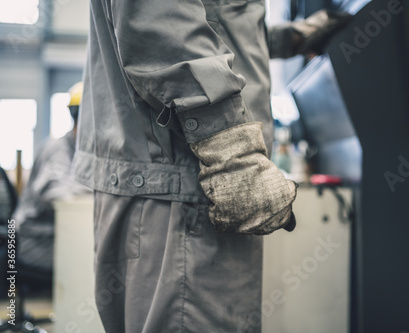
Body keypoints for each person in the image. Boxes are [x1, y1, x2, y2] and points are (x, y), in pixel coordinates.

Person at [72, 2, 350, 332]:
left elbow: (217, 21)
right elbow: (161, 19)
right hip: (185, 190)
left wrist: (290, 38)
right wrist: (233, 155)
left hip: (172, 183)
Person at [13, 82, 91, 278]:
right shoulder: (58, 149)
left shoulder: (79, 151)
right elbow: (54, 192)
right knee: (89, 261)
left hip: (49, 236)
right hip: (34, 241)